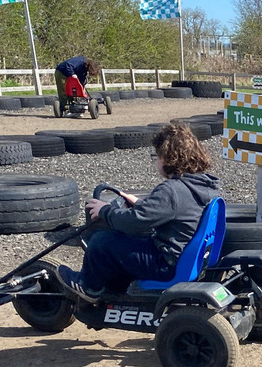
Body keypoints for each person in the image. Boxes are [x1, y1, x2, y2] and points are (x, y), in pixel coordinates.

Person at [56, 123, 221, 302]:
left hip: (166, 264)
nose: (156, 161)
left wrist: (105, 211)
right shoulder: (203, 186)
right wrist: (139, 203)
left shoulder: (172, 190)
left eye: (156, 156)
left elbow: (134, 222)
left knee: (101, 241)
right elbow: (172, 212)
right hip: (187, 259)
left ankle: (89, 287)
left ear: (167, 158)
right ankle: (114, 291)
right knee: (132, 242)